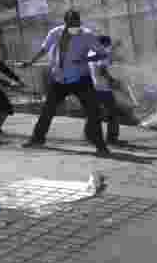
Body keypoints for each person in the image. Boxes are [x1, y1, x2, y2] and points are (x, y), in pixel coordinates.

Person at [21, 9, 111, 156]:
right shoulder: (55, 33)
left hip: (81, 79)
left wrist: (85, 60)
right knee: (47, 110)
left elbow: (102, 53)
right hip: (59, 79)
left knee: (93, 112)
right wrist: (30, 62)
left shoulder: (87, 35)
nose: (75, 26)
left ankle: (100, 145)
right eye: (72, 23)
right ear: (66, 23)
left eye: (77, 23)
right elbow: (44, 49)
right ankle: (37, 138)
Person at [88, 36, 121, 145]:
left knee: (94, 114)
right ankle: (112, 138)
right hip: (104, 89)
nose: (109, 46)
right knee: (113, 113)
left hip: (94, 88)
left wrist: (114, 48)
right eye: (108, 44)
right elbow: (102, 69)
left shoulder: (91, 53)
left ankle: (90, 136)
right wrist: (112, 80)